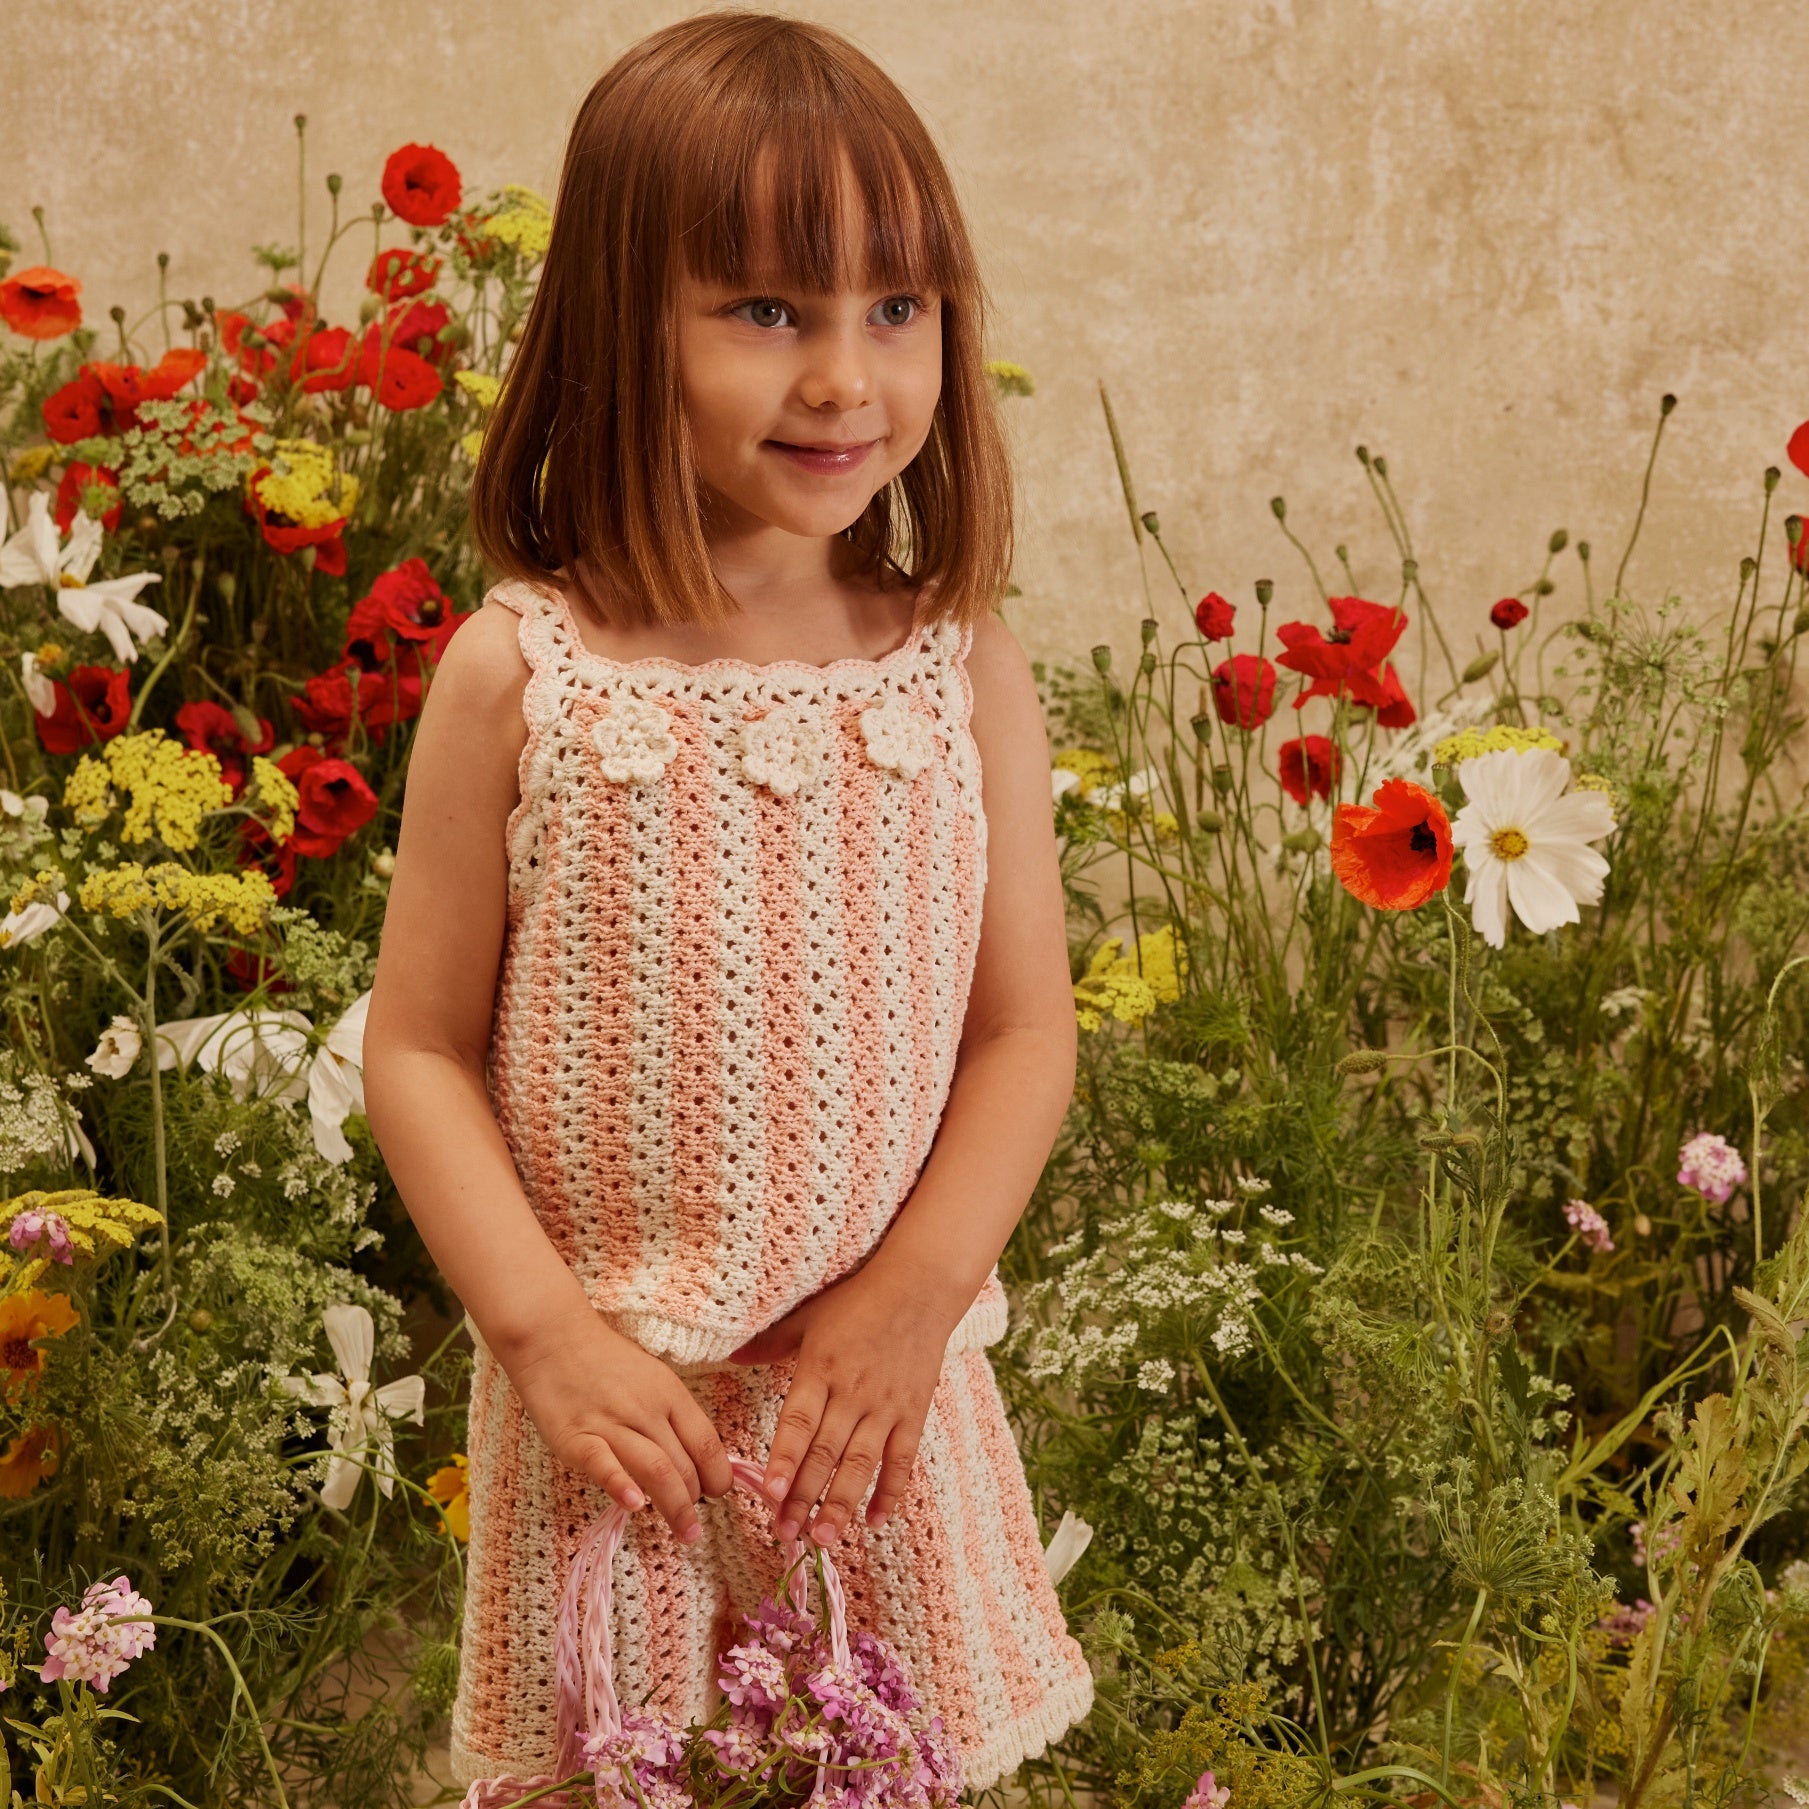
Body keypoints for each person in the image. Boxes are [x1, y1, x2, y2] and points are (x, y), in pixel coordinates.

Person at [362, 11, 1092, 1794]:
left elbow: (1023, 1031)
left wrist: (920, 1287)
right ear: (626, 323)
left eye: (895, 308)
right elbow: (417, 1049)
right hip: (624, 1429)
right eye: (769, 311)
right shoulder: (519, 676)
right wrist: (542, 1335)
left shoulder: (954, 669)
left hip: (870, 1420)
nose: (846, 376)